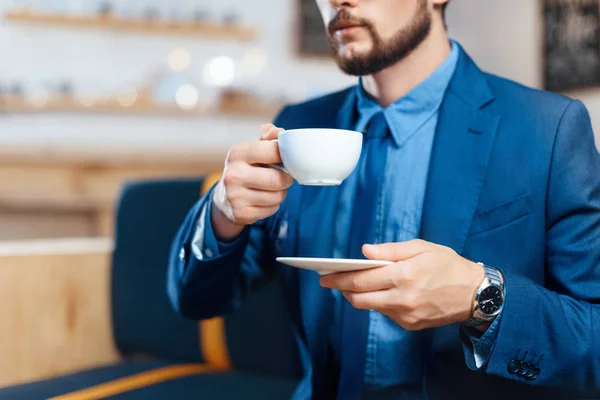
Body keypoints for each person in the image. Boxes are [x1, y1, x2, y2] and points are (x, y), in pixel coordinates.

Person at [167, 0, 600, 398]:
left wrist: (481, 295)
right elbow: (196, 300)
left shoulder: (548, 129)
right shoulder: (296, 127)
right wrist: (222, 212)